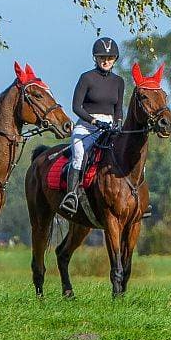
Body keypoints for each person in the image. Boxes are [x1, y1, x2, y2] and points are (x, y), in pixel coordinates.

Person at [62, 36, 126, 216]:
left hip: (110, 127)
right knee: (79, 154)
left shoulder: (119, 81)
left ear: (115, 59)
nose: (106, 61)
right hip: (86, 126)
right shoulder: (86, 78)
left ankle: (137, 198)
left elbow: (119, 108)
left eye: (110, 58)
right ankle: (72, 195)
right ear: (95, 58)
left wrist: (118, 123)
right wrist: (94, 122)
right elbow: (76, 107)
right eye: (102, 58)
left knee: (128, 153)